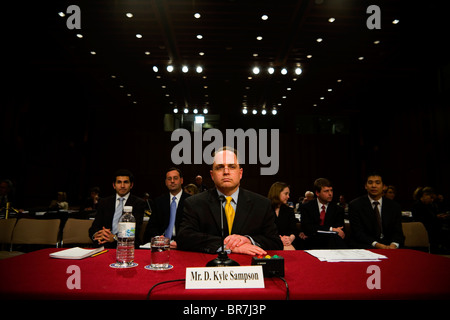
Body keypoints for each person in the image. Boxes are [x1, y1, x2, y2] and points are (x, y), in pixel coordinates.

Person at [177, 147, 283, 255]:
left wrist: (248, 240)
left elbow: (275, 242)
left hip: (248, 268)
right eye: (220, 167)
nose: (226, 172)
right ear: (212, 175)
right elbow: (184, 238)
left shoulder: (262, 204)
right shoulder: (194, 203)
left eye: (232, 167)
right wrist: (226, 246)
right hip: (211, 267)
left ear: (240, 173)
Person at [88, 169, 146, 248]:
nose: (122, 186)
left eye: (125, 182)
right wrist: (98, 235)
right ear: (114, 185)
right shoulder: (104, 202)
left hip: (127, 246)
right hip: (103, 244)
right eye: (119, 182)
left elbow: (135, 230)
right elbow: (94, 227)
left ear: (131, 185)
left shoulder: (139, 203)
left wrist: (115, 237)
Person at [348, 172, 404, 249]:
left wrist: (393, 245)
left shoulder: (394, 206)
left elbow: (398, 232)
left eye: (377, 183)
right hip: (366, 245)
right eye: (370, 183)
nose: (373, 186)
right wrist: (377, 245)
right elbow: (358, 233)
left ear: (384, 187)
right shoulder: (355, 205)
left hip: (389, 245)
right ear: (365, 186)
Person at [143, 168, 190, 249]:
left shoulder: (190, 201)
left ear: (181, 180)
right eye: (169, 179)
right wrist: (158, 237)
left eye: (175, 178)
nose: (172, 181)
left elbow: (193, 229)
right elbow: (151, 227)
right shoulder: (159, 201)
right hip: (162, 245)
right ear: (166, 182)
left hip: (182, 245)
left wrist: (181, 242)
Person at [300, 178, 347, 249]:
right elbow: (307, 228)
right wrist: (331, 229)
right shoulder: (306, 207)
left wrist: (316, 230)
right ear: (317, 193)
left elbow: (340, 230)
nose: (330, 194)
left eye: (331, 190)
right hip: (311, 243)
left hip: (331, 244)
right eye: (326, 191)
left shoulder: (338, 209)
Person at [267, 182, 297, 250]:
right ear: (277, 193)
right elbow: (264, 230)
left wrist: (290, 239)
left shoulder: (289, 210)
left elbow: (294, 230)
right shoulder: (265, 208)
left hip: (286, 242)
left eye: (288, 194)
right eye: (286, 194)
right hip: (270, 241)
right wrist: (279, 239)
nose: (288, 197)